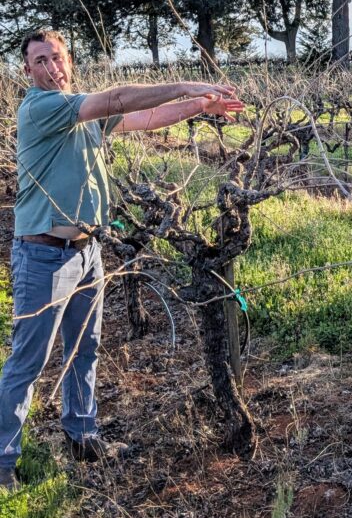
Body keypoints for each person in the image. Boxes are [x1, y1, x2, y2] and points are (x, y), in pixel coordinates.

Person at [0, 30, 244, 491]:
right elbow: (119, 98)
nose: (51, 67)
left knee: (84, 348)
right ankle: (2, 460)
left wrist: (199, 105)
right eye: (40, 61)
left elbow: (144, 117)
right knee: (29, 361)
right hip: (43, 256)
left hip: (87, 251)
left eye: (57, 57)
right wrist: (185, 85)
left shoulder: (82, 113)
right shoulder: (41, 108)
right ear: (28, 70)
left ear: (69, 60)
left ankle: (82, 435)